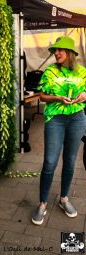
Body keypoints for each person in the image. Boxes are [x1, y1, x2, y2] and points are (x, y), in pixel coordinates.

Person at [31, 36, 86, 225]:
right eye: (55, 50)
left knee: (70, 161)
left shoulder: (83, 72)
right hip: (55, 119)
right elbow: (42, 96)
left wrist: (83, 96)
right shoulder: (50, 71)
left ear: (70, 52)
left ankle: (63, 199)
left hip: (77, 118)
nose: (56, 53)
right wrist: (58, 98)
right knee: (50, 162)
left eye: (60, 50)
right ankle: (43, 203)